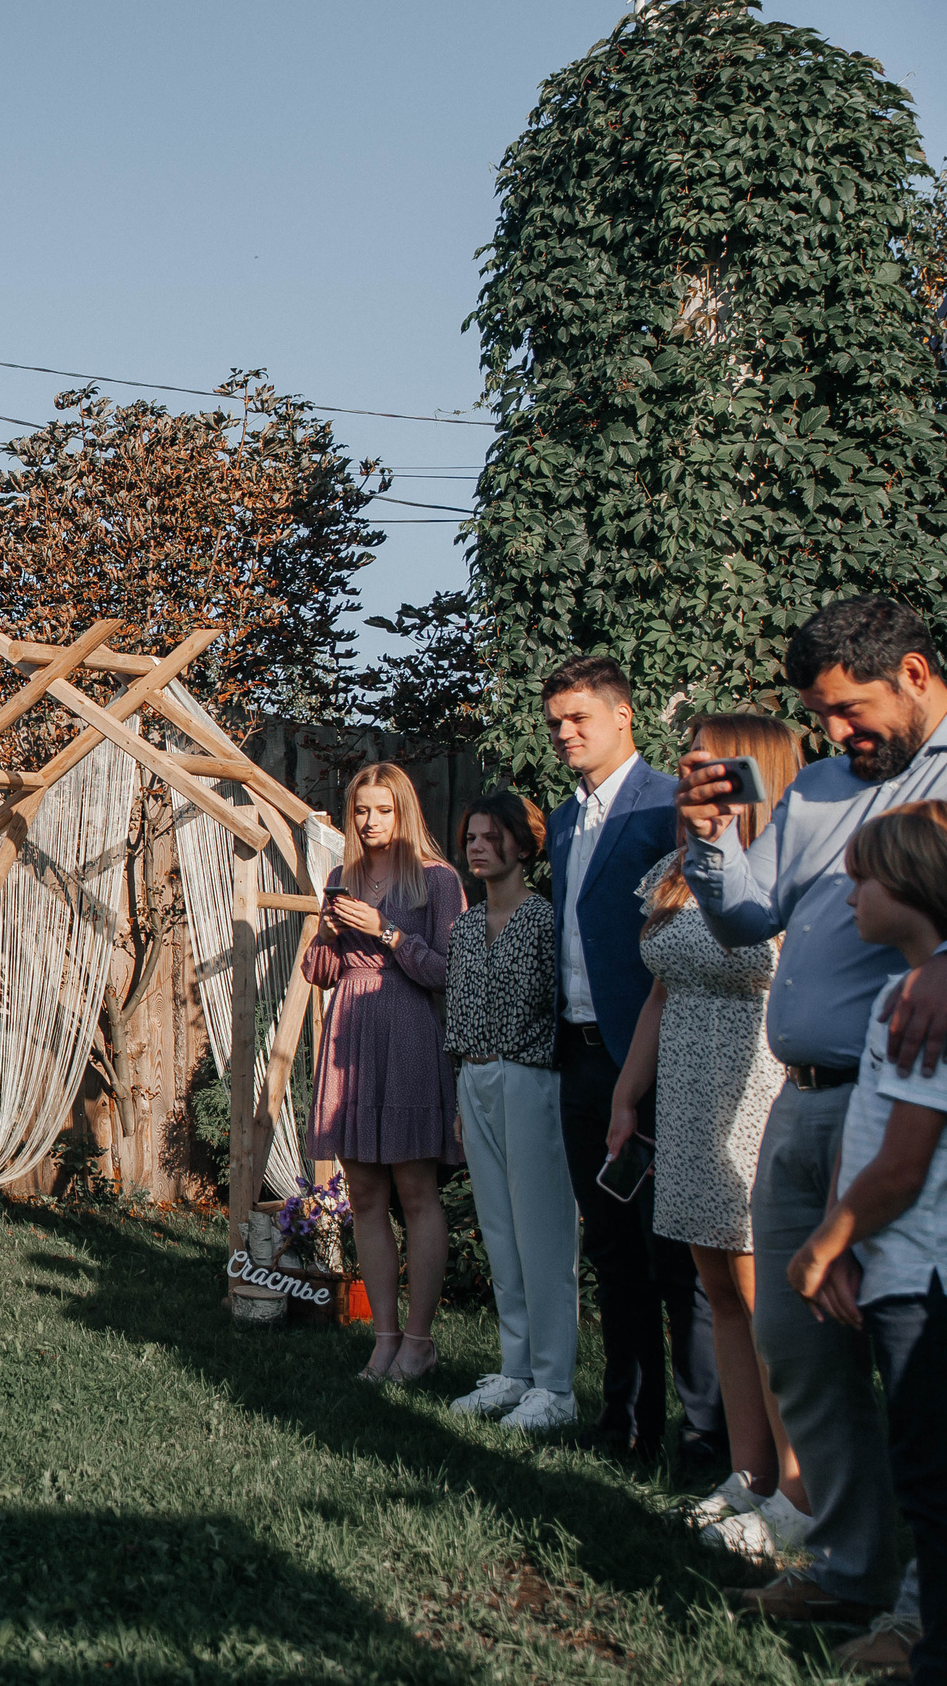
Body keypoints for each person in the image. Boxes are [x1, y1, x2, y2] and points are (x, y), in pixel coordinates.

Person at [677, 595, 947, 1628]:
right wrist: (710, 842)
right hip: (797, 1104)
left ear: (915, 672)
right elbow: (752, 913)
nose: (833, 735)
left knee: (919, 1363)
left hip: (907, 1113)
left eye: (848, 709)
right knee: (796, 1343)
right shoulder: (829, 785)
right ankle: (847, 1572)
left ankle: (924, 1613)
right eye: (821, 716)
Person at [609, 713, 806, 1560]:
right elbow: (659, 990)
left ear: (750, 770)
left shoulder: (790, 871)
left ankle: (800, 1490)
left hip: (757, 1078)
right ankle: (748, 1471)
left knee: (767, 1297)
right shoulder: (679, 867)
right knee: (716, 1285)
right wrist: (627, 1094)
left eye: (703, 762)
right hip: (684, 1079)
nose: (687, 774)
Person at [543, 654, 719, 1462]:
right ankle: (624, 1418)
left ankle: (702, 1427)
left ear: (624, 717)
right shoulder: (561, 817)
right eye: (555, 723)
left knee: (672, 1250)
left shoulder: (661, 806)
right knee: (610, 1246)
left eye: (578, 718)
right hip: (577, 1053)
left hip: (648, 1054)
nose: (564, 733)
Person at [786, 802, 947, 1686]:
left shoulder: (927, 1004)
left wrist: (824, 1242)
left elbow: (903, 1158)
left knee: (929, 1470)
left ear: (915, 885)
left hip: (926, 1268)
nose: (848, 895)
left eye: (864, 878)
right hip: (888, 1260)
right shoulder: (902, 989)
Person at [305, 762, 464, 1383]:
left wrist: (388, 932)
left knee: (416, 1191)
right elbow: (326, 963)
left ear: (404, 812)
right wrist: (322, 951)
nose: (370, 823)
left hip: (408, 1028)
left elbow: (449, 971)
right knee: (365, 1193)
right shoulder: (340, 876)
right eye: (361, 811)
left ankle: (420, 1341)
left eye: (383, 811)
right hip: (352, 1025)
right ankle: (385, 1337)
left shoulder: (437, 879)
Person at [442, 791, 577, 1430]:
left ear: (523, 845)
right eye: (470, 836)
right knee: (499, 1230)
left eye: (491, 836)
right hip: (476, 1080)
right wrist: (462, 1092)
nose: (477, 846)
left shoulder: (546, 920)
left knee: (543, 1232)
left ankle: (556, 1386)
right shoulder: (465, 926)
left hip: (532, 1080)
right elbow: (459, 1013)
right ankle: (515, 1371)